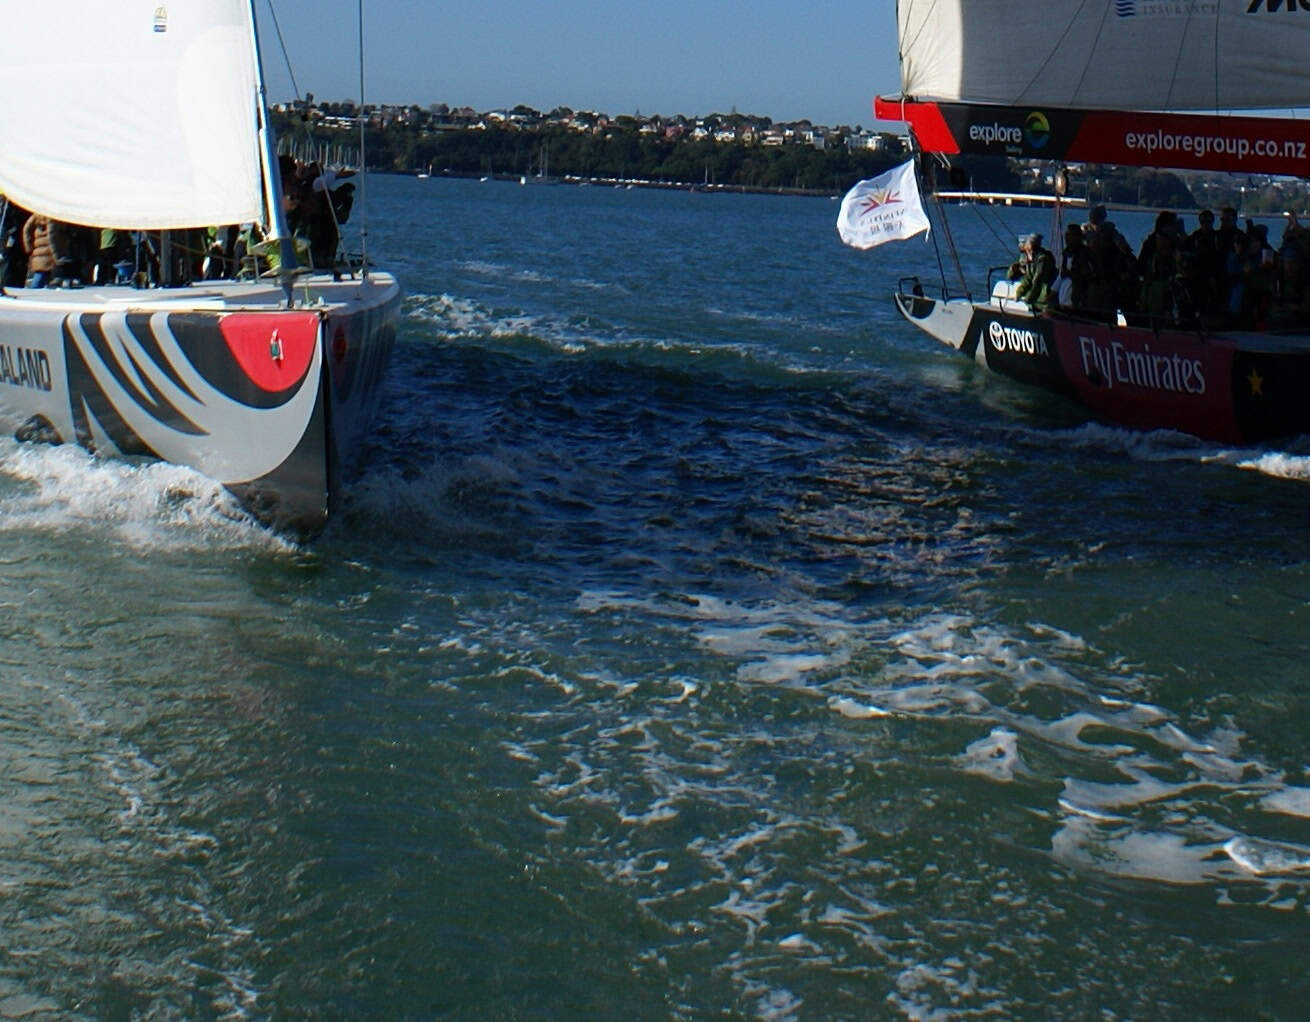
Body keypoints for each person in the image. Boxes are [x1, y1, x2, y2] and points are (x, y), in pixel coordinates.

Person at [1008, 232, 1057, 312]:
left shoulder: (1043, 260)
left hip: (1045, 301)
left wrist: (1029, 298)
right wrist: (1019, 294)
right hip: (1036, 302)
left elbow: (1038, 280)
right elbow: (1027, 278)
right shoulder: (1030, 260)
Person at [22, 214, 68, 288]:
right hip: (49, 252)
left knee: (40, 274)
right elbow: (52, 237)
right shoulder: (52, 217)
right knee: (43, 276)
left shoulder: (37, 214)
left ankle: (34, 290)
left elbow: (26, 229)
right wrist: (57, 256)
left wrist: (29, 247)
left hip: (38, 250)